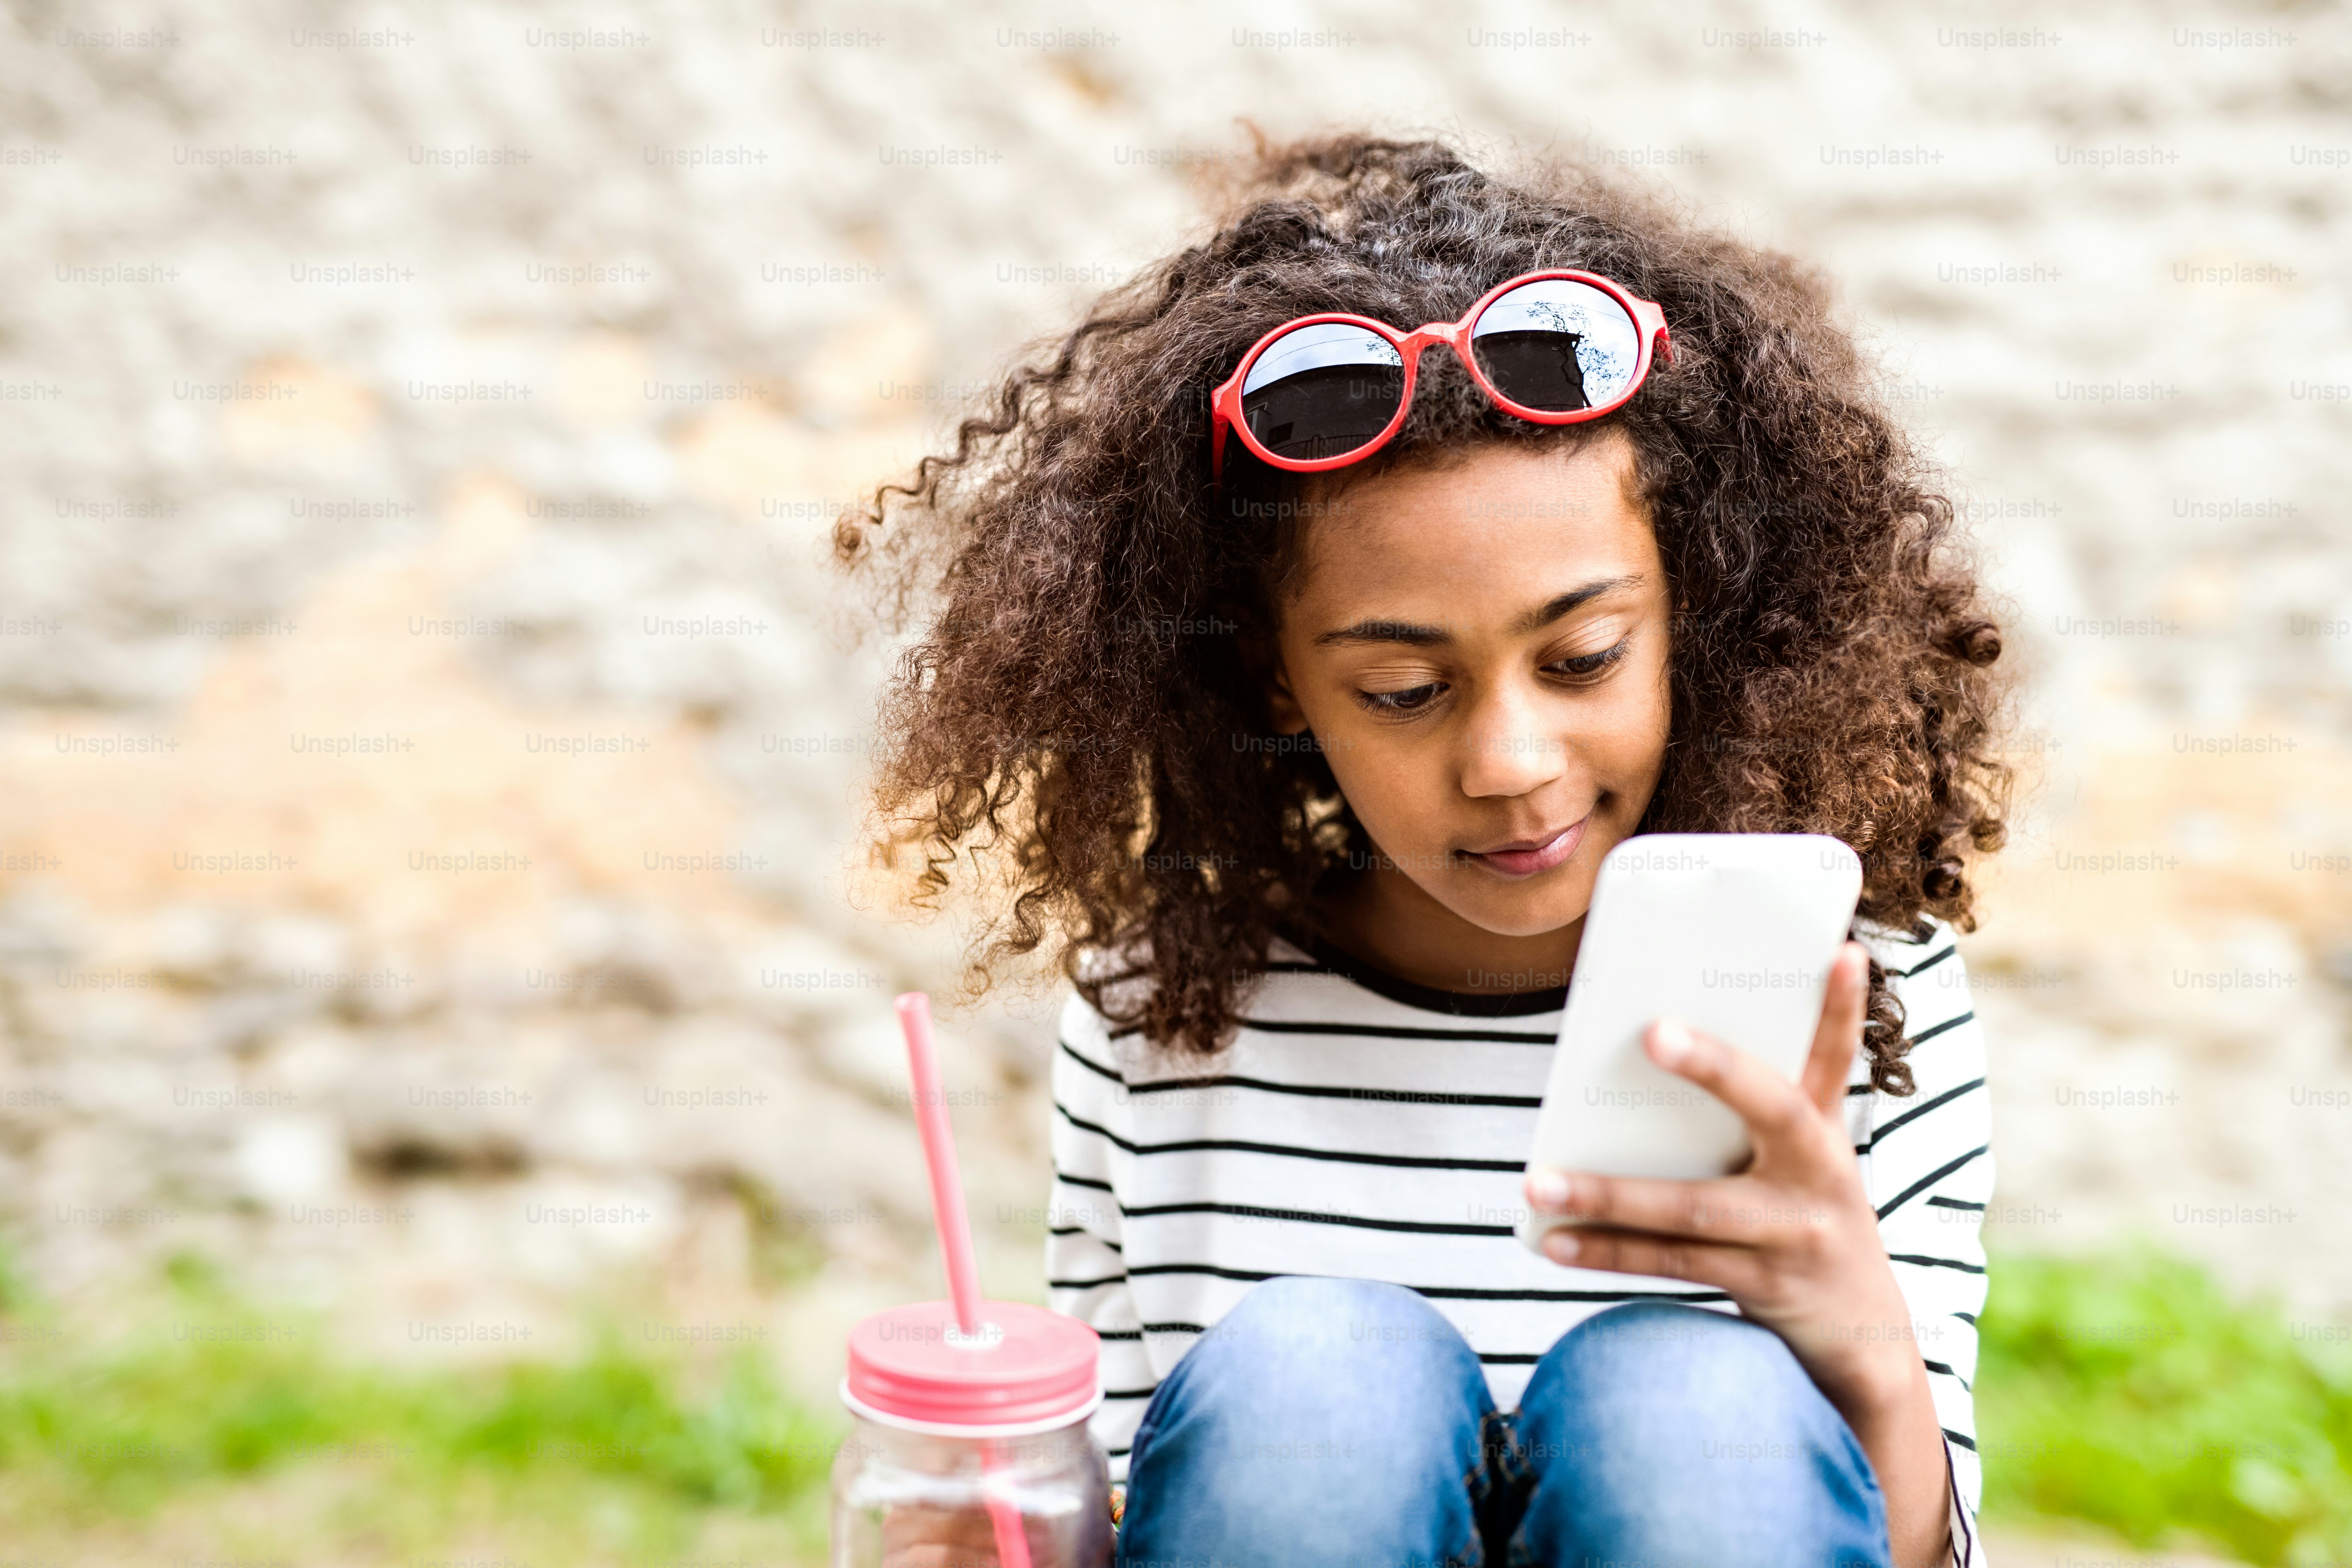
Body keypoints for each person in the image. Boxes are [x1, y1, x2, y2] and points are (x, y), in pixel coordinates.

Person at [840, 132, 2011, 1568]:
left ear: (1689, 622)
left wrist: (1867, 1348)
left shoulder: (1855, 998)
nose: (1511, 765)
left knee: (1691, 1404)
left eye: (1581, 658)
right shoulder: (1170, 1015)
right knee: (1312, 1381)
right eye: (1404, 691)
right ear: (1280, 684)